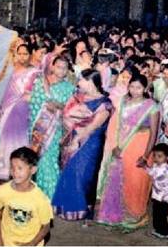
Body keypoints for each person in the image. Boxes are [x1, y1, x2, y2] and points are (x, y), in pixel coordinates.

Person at [95, 74, 160, 231]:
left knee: (136, 180)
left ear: (145, 88)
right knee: (118, 178)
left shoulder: (151, 105)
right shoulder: (124, 102)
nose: (135, 90)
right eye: (132, 87)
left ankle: (135, 215)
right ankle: (117, 214)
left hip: (141, 144)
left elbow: (154, 132)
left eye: (138, 88)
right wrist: (115, 145)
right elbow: (116, 126)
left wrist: (146, 155)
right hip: (122, 144)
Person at [52, 69, 113, 224]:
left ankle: (87, 212)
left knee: (86, 175)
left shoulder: (104, 103)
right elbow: (65, 114)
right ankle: (67, 208)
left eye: (82, 80)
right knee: (70, 171)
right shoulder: (77, 97)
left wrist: (77, 139)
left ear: (91, 82)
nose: (78, 83)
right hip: (73, 137)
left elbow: (93, 126)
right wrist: (71, 127)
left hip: (91, 143)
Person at [29, 55, 76, 199]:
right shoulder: (40, 82)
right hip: (37, 127)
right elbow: (34, 102)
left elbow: (71, 109)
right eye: (59, 67)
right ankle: (39, 194)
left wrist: (58, 106)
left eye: (64, 68)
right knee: (37, 160)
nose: (61, 71)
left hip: (54, 129)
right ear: (52, 66)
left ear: (68, 70)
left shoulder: (69, 88)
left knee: (48, 160)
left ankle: (51, 196)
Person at [0, 147, 53, 246]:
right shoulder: (3, 191)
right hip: (7, 242)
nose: (15, 172)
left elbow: (46, 226)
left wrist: (32, 244)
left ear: (33, 170)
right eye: (12, 167)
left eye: (20, 168)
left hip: (31, 242)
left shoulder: (40, 198)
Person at [0, 44, 38, 180]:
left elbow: (35, 95)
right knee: (5, 141)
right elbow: (3, 92)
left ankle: (21, 172)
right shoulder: (10, 71)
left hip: (24, 113)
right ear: (16, 54)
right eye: (20, 53)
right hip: (8, 110)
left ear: (30, 55)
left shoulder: (35, 73)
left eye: (25, 54)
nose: (22, 56)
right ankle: (4, 170)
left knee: (21, 142)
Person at [144, 143, 168, 240]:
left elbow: (153, 174)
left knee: (160, 216)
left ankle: (164, 232)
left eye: (160, 156)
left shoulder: (164, 169)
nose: (156, 158)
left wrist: (144, 166)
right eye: (154, 155)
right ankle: (158, 230)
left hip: (164, 198)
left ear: (167, 157)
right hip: (159, 196)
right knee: (156, 214)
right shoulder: (157, 165)